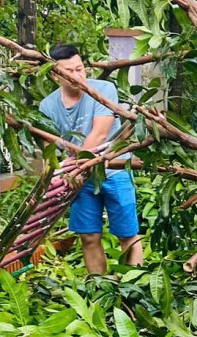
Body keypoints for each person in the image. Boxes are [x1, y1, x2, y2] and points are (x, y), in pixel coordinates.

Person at [39, 44, 143, 274]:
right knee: (88, 235)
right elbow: (49, 150)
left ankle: (135, 290)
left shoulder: (104, 89)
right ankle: (99, 288)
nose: (77, 76)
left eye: (80, 69)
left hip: (113, 172)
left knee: (127, 234)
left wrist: (72, 169)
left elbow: (99, 134)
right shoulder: (47, 106)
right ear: (55, 75)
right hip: (79, 179)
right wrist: (53, 177)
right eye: (69, 71)